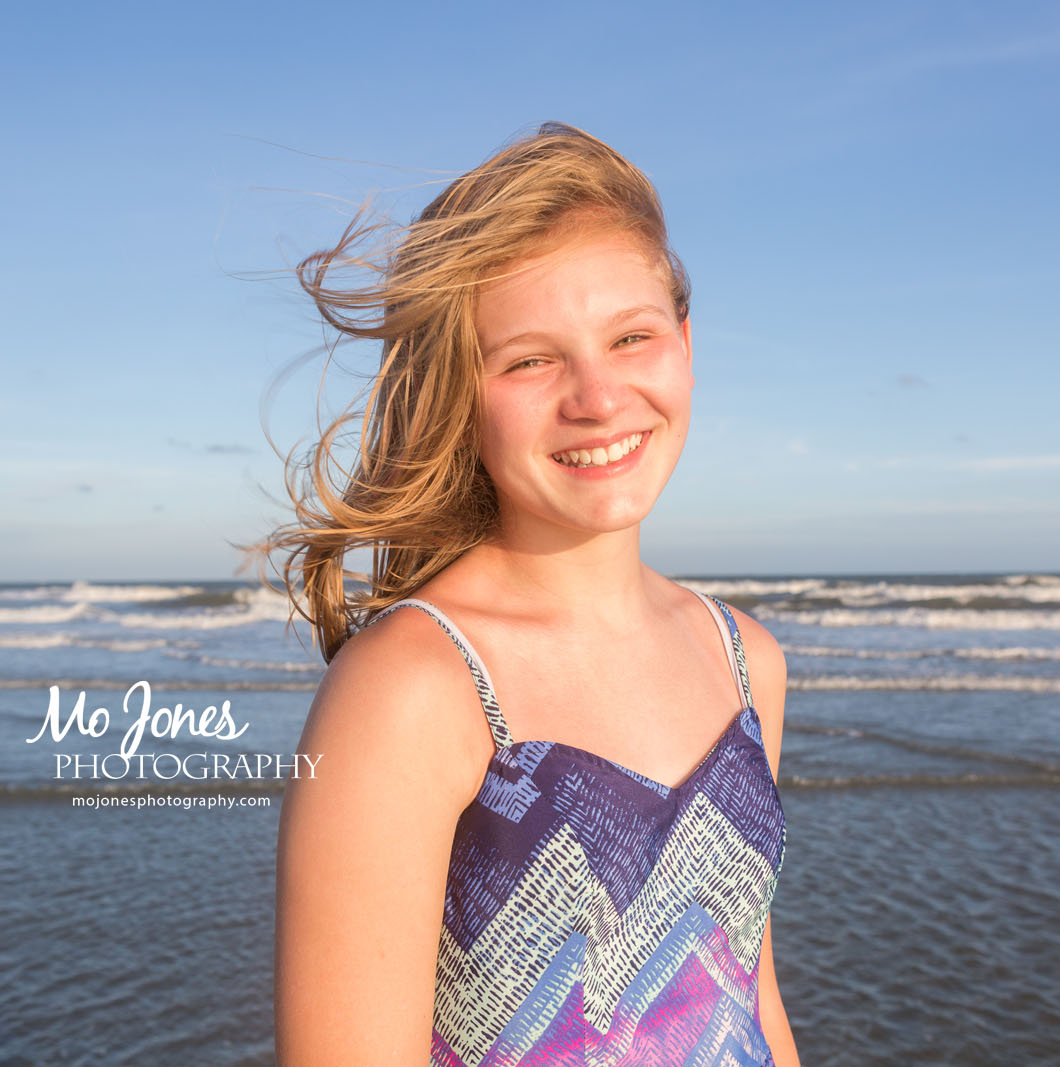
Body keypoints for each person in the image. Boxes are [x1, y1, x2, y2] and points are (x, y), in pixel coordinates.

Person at [267, 122, 798, 1067]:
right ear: (461, 395)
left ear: (684, 344)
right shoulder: (413, 687)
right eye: (529, 359)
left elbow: (748, 989)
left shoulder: (745, 659)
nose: (598, 397)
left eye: (630, 337)